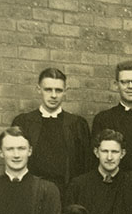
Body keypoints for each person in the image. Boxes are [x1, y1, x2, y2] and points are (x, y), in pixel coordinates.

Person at [11, 67, 91, 197]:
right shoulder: (24, 122)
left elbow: (86, 166)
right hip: (30, 193)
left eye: (58, 90)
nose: (53, 95)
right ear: (39, 90)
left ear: (65, 91)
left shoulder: (77, 125)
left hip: (66, 194)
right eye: (48, 89)